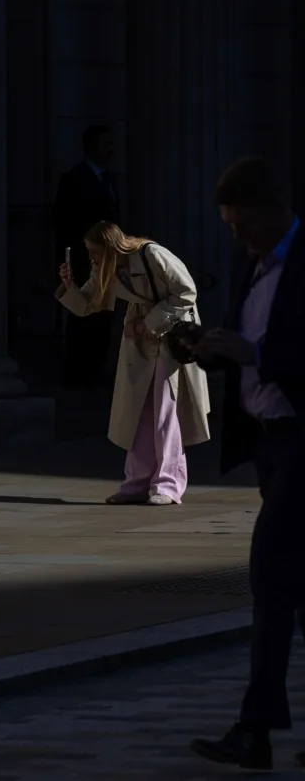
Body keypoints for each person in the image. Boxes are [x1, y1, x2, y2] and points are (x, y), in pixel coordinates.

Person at [193, 158, 305, 771]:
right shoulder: (254, 265)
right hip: (271, 445)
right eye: (231, 227)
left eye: (245, 225)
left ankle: (255, 728)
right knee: (299, 590)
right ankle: (257, 729)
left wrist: (255, 351)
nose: (238, 238)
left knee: (269, 580)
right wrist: (213, 349)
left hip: (301, 444)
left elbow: (280, 349)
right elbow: (248, 343)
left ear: (275, 210)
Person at [54, 221, 210, 505]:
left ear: (111, 248)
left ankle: (167, 484)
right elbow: (89, 302)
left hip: (171, 333)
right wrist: (69, 286)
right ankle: (136, 482)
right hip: (140, 337)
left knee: (165, 407)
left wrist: (147, 325)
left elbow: (186, 291)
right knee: (139, 409)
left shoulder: (152, 254)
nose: (92, 258)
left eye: (95, 252)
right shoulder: (106, 266)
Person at [51, 125, 123, 388]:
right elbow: (64, 221)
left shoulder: (110, 179)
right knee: (84, 315)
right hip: (85, 259)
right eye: (106, 144)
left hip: (109, 259)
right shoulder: (74, 179)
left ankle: (96, 368)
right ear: (92, 147)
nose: (111, 150)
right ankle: (78, 372)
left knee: (105, 314)